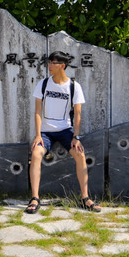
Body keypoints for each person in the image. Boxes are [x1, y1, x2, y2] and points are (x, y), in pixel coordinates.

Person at [25, 51, 101, 214]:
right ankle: (35, 198)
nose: (49, 66)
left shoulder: (74, 86)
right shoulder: (43, 84)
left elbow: (78, 114)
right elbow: (37, 111)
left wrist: (76, 137)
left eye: (53, 63)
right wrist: (38, 135)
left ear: (62, 66)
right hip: (45, 131)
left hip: (65, 130)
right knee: (36, 153)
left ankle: (85, 198)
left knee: (80, 154)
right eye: (49, 62)